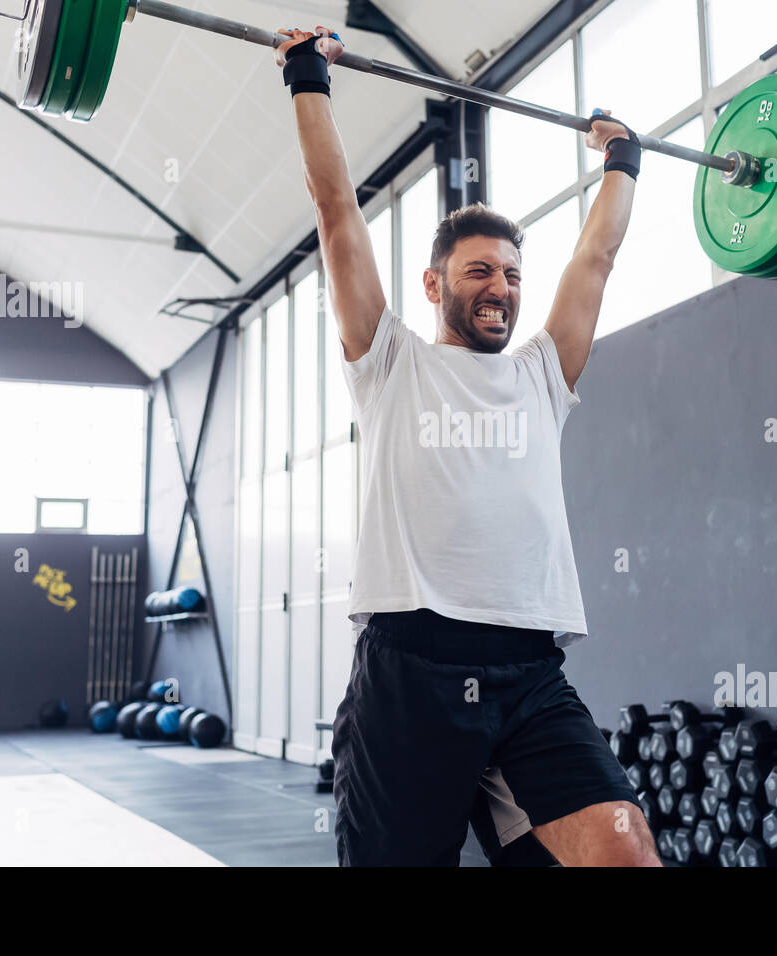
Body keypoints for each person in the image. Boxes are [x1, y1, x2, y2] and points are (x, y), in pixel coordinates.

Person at [275, 25, 659, 866]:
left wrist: (623, 162)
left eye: (513, 275)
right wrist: (309, 79)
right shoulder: (388, 360)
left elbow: (595, 258)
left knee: (625, 852)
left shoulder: (541, 375)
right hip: (410, 673)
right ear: (436, 282)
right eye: (481, 271)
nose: (502, 289)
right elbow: (336, 212)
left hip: (528, 676)